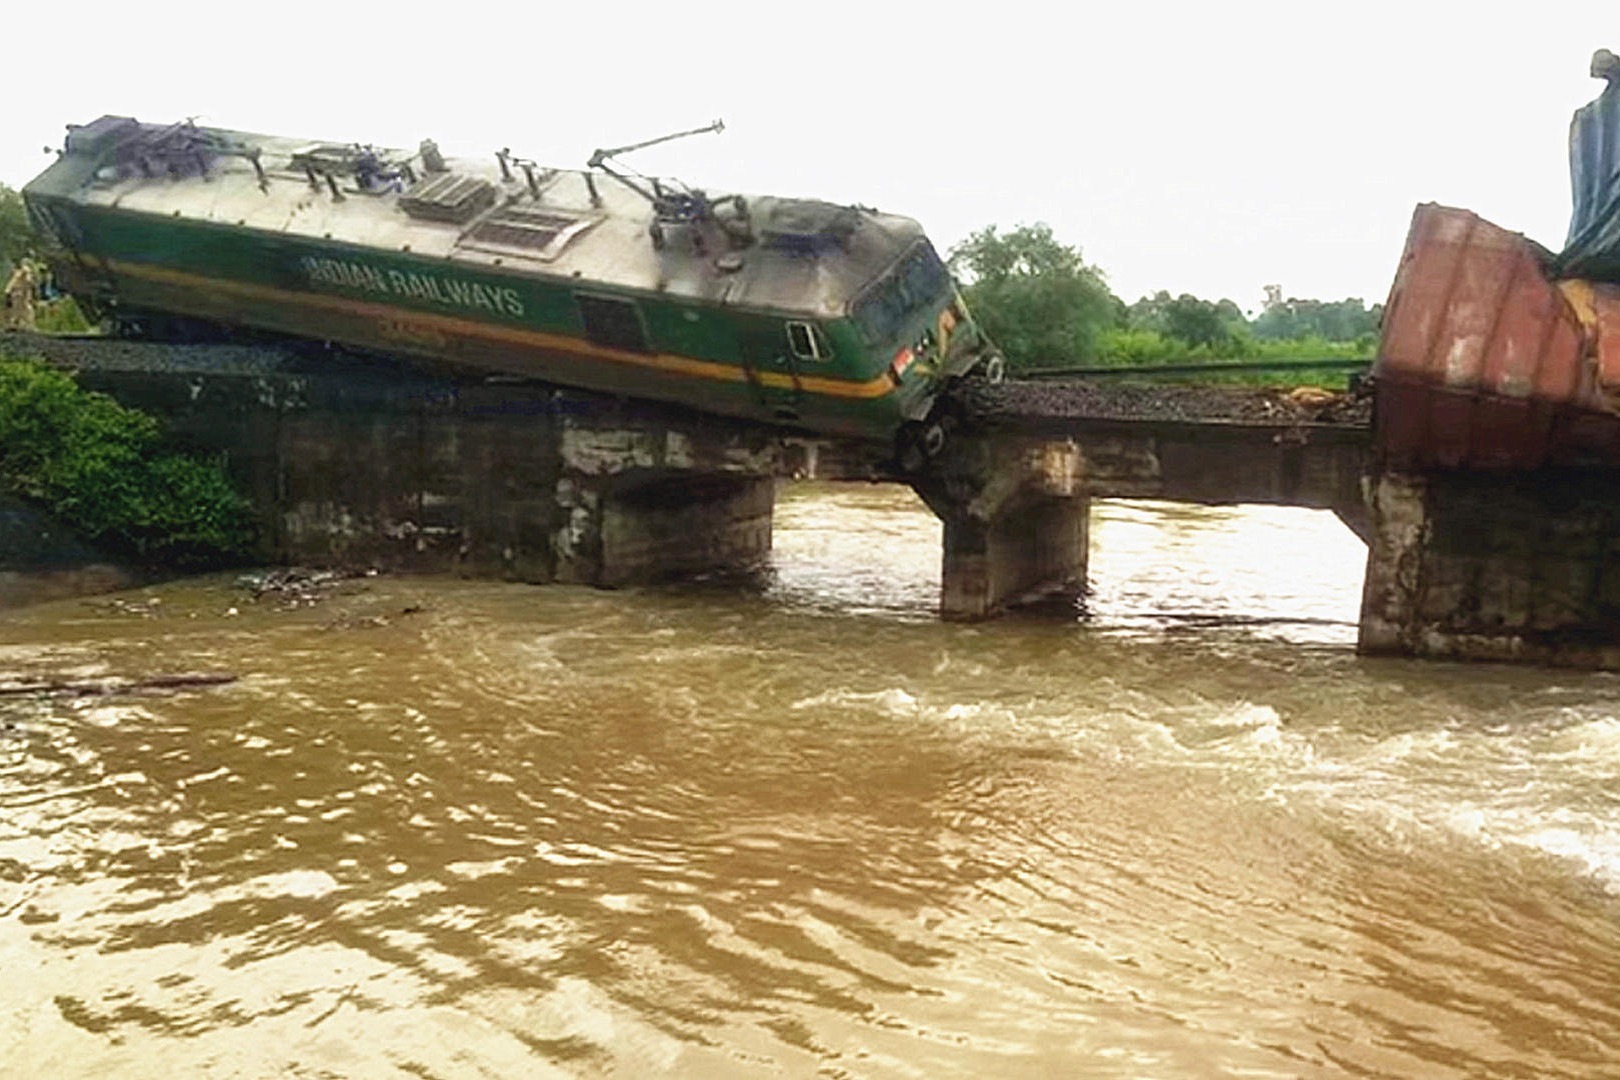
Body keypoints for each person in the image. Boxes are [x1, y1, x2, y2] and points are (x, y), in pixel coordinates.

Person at [3, 259, 38, 332]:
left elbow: (28, 282)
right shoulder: (22, 272)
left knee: (23, 308)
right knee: (19, 308)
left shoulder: (22, 273)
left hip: (23, 293)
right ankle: (16, 324)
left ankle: (23, 324)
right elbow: (26, 281)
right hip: (19, 292)